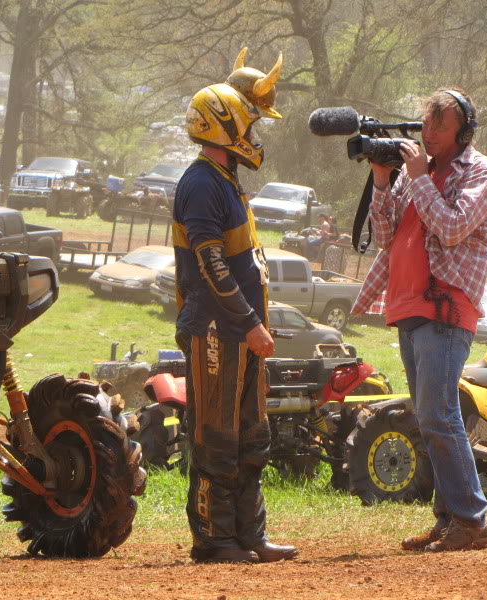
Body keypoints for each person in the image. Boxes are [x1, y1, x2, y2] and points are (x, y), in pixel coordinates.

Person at [352, 88, 487, 553]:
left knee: (439, 413)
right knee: (429, 416)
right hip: (409, 305)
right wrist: (381, 181)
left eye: (438, 126)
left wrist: (417, 177)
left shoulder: (479, 171)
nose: (427, 134)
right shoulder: (416, 174)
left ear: (463, 132)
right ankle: (449, 519)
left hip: (447, 305)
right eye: (425, 123)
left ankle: (472, 520)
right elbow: (385, 237)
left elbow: (454, 228)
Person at [172, 47, 297, 564]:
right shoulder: (200, 183)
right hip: (217, 330)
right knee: (217, 438)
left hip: (241, 333)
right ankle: (213, 538)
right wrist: (249, 324)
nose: (255, 134)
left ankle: (250, 534)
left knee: (252, 437)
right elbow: (211, 266)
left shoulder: (225, 180)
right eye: (248, 123)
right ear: (225, 128)